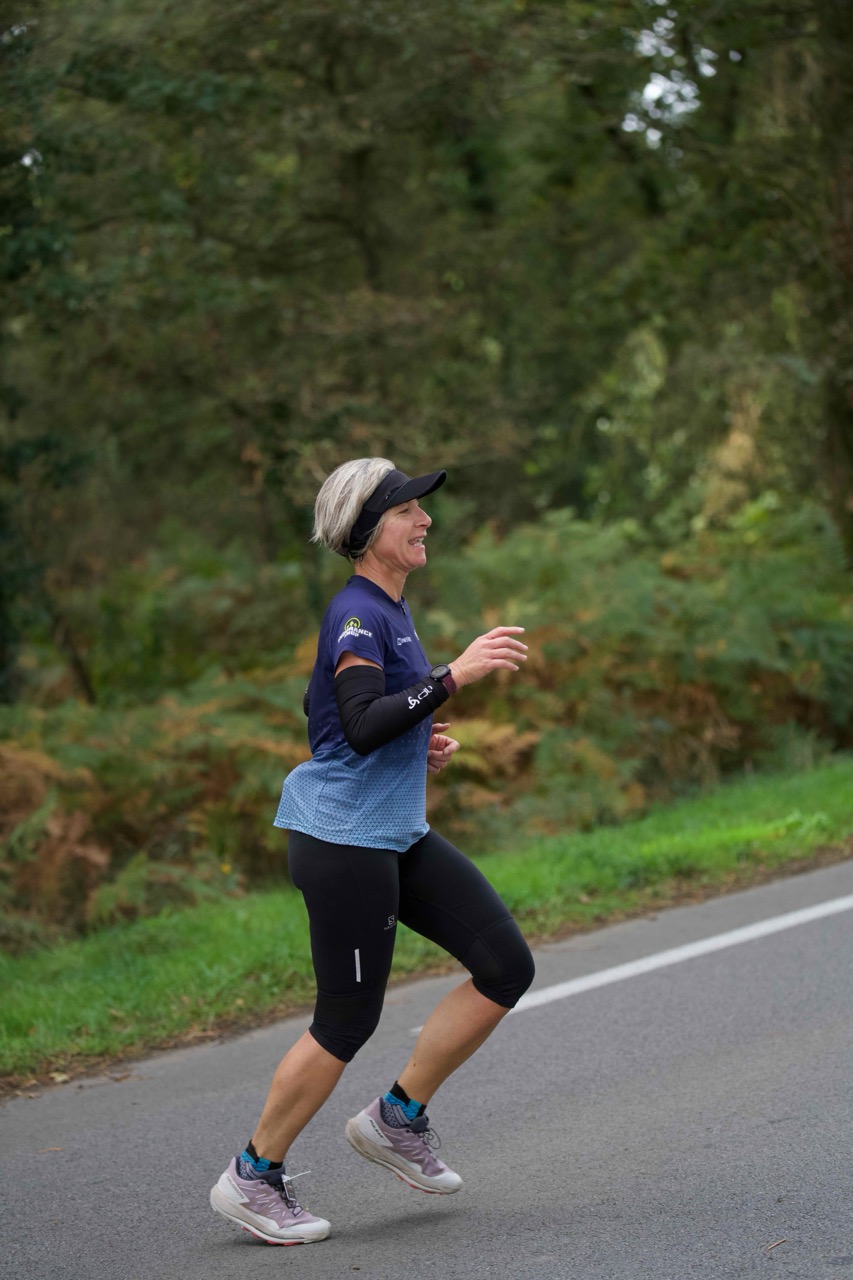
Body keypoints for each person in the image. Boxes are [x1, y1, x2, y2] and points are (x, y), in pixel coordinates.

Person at [210, 457, 535, 1245]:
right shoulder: (358, 613)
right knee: (346, 1018)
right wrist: (452, 677)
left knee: (503, 965)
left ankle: (396, 1117)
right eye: (405, 510)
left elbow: (328, 712)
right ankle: (251, 1175)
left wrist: (415, 741)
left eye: (421, 508)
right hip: (343, 841)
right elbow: (358, 724)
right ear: (365, 530)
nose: (424, 520)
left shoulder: (386, 609)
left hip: (390, 831)